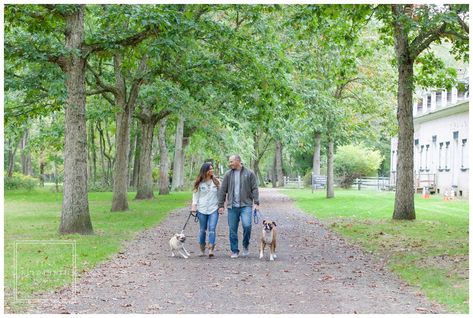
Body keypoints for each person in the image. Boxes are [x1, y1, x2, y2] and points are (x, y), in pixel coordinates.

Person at [218, 155, 260, 258]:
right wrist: (221, 205)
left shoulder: (249, 173)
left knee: (247, 225)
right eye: (229, 162)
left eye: (231, 161)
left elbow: (254, 188)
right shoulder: (228, 174)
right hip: (232, 206)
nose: (230, 163)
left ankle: (245, 245)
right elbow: (223, 190)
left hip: (246, 205)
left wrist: (256, 203)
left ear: (238, 161)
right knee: (232, 229)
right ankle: (234, 250)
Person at [191, 162, 222, 257]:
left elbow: (220, 195)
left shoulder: (217, 182)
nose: (212, 170)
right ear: (205, 171)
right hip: (202, 209)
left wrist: (221, 206)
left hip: (213, 208)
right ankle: (202, 249)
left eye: (212, 168)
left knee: (212, 229)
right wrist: (193, 207)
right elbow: (195, 196)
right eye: (210, 169)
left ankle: (211, 249)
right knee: (202, 230)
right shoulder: (199, 183)